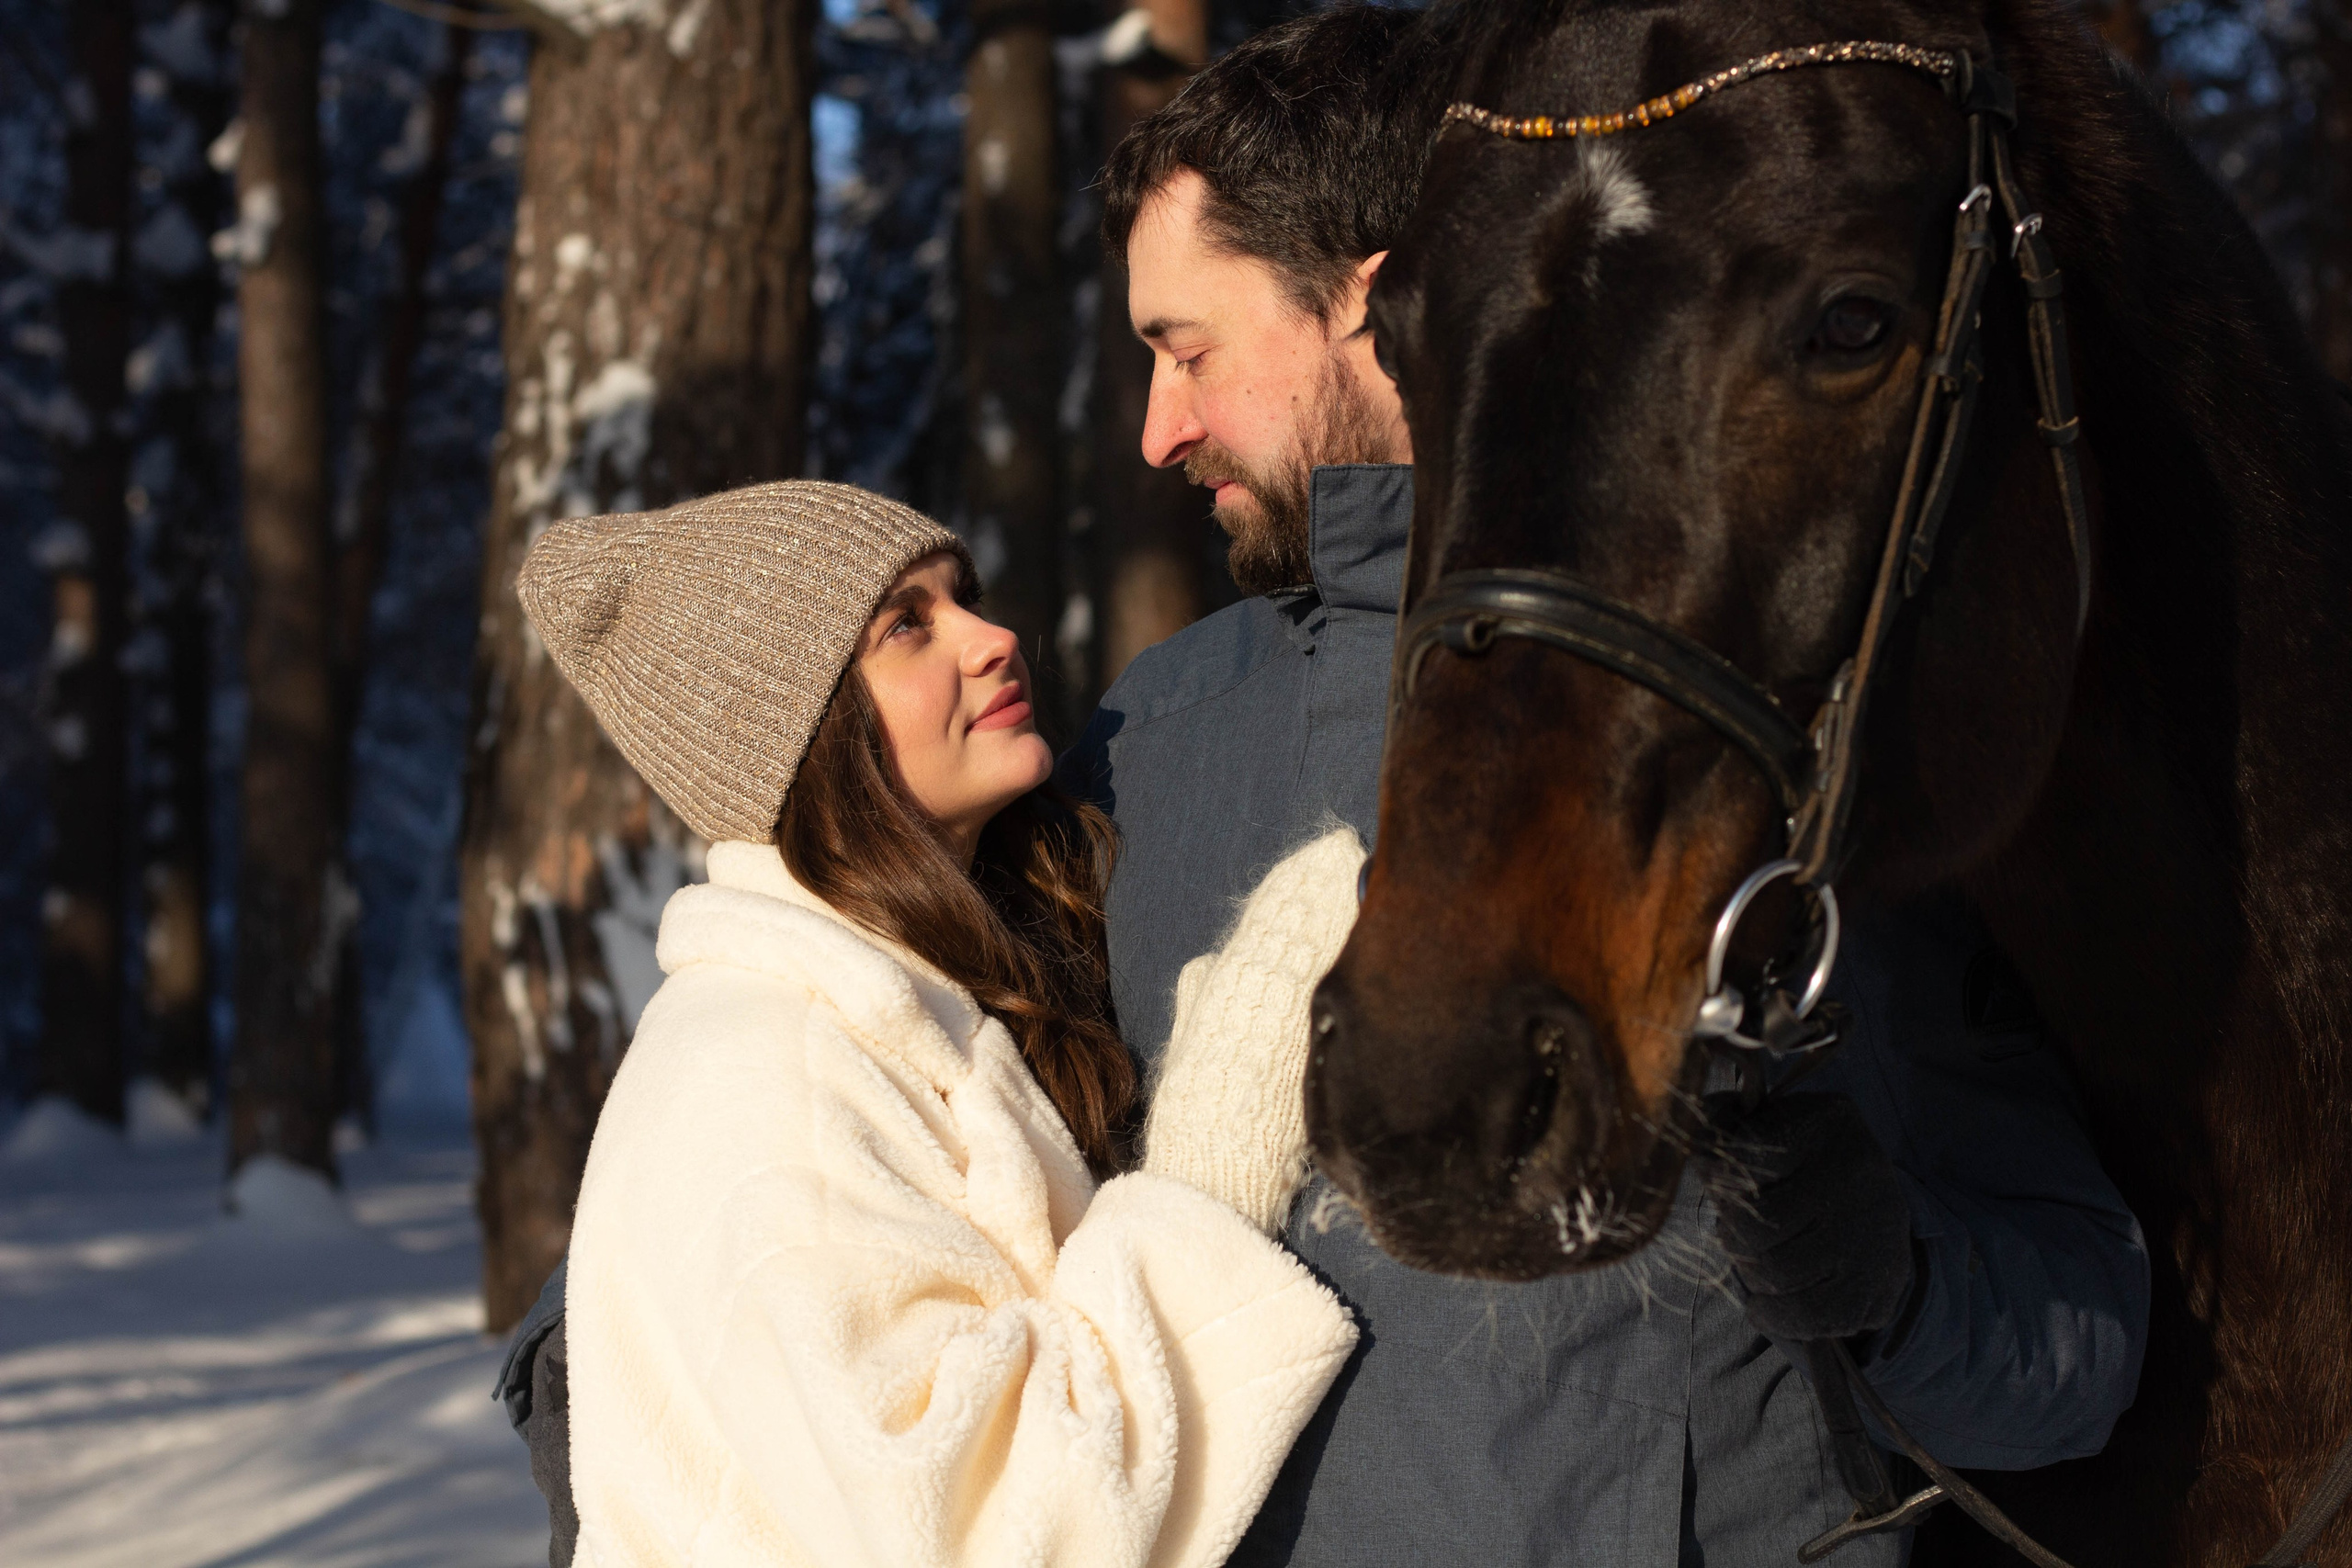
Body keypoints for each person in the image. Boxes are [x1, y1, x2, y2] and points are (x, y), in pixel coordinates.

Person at [1058, 7, 2151, 1564]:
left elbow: (2081, 1349)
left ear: (1382, 309)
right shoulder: (1154, 745)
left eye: (1188, 351)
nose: (1159, 426)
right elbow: (887, 1142)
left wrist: (1897, 1286)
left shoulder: (1784, 696)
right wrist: (576, 1392)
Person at [512, 479, 1363, 1568]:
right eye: (906, 626)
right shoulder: (777, 1075)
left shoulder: (897, 1007)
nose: (992, 638)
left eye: (963, 596)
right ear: (793, 734)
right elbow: (975, 1533)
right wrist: (1213, 1165)